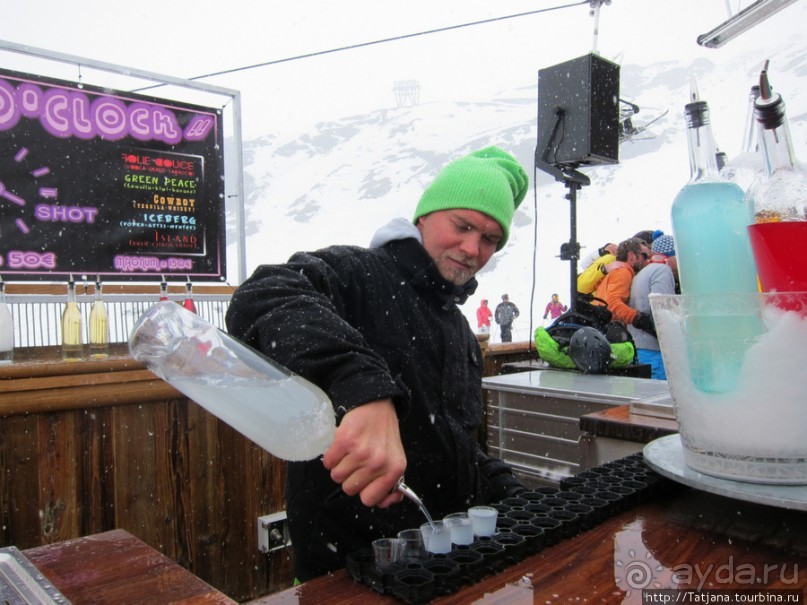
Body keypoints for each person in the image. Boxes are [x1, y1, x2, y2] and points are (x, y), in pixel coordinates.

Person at [225, 146, 527, 581]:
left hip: (438, 570)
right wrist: (362, 387)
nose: (471, 248)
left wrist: (512, 493)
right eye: (462, 226)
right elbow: (263, 295)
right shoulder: (357, 274)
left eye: (489, 239)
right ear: (425, 215)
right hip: (343, 570)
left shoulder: (459, 331)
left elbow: (456, 442)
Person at [628, 234, 679, 379]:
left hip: (639, 349)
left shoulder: (642, 274)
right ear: (670, 256)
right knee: (660, 397)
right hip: (654, 353)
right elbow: (663, 313)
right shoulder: (662, 271)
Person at [591, 237, 655, 334]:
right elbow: (612, 303)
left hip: (599, 327)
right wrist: (637, 318)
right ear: (631, 256)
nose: (647, 260)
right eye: (645, 256)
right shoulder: (623, 272)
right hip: (606, 329)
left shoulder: (616, 271)